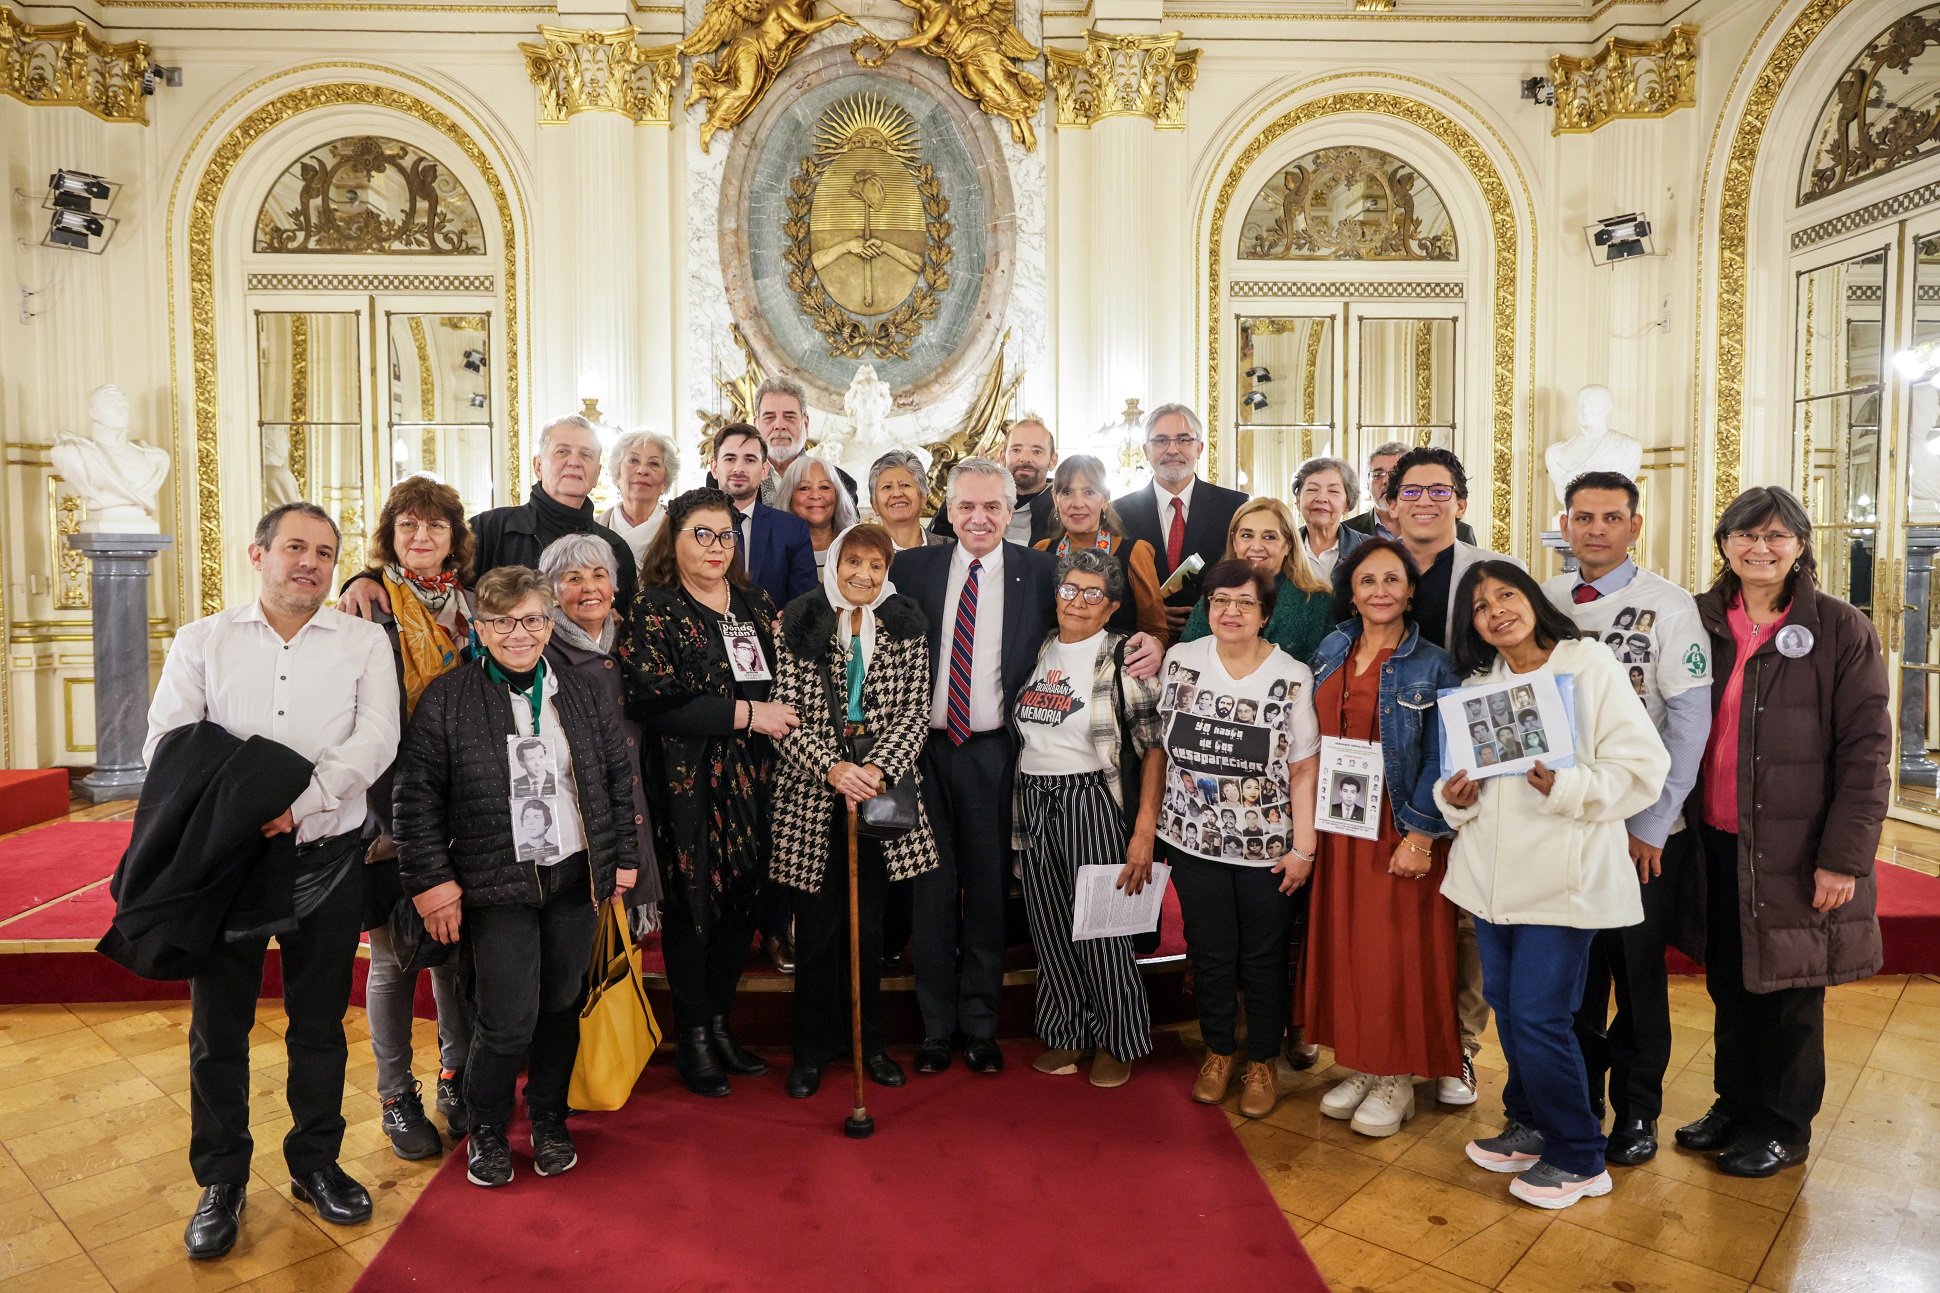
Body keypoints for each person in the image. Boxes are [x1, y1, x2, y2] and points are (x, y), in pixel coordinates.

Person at [147, 502, 400, 1258]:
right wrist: (248, 803)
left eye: (324, 552)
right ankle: (221, 1178)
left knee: (319, 1025)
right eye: (295, 547)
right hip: (227, 862)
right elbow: (169, 742)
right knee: (217, 1030)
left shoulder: (362, 642)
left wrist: (302, 800)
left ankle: (316, 1163)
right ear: (258, 554)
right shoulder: (203, 640)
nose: (310, 563)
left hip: (327, 855)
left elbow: (377, 736)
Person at [892, 458, 1164, 1075]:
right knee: (931, 893)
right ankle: (936, 1030)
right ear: (948, 510)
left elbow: (1098, 616)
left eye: (992, 506)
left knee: (990, 892)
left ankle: (981, 1027)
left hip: (998, 754)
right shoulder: (911, 569)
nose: (979, 518)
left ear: (1011, 510)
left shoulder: (1041, 571)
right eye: (966, 506)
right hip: (924, 752)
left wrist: (1153, 641)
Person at [393, 566, 639, 1188]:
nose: (518, 633)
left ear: (549, 624)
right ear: (479, 629)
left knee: (560, 1005)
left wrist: (621, 858)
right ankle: (486, 1126)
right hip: (495, 880)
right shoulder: (448, 698)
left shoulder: (579, 691)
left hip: (573, 875)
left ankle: (549, 1119)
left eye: (531, 619)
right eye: (502, 622)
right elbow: (415, 798)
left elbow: (615, 777)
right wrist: (432, 883)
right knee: (506, 1018)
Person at [1434, 561, 1669, 1211]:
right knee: (1510, 1010)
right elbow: (1456, 780)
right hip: (1489, 880)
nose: (1496, 611)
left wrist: (1567, 786)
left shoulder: (1589, 667)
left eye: (1506, 594)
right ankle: (1530, 1122)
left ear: (1534, 600)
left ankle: (1578, 1154)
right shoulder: (1480, 687)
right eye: (1481, 606)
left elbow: (1643, 767)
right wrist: (1454, 798)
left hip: (1563, 881)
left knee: (1542, 1016)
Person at [1674, 486, 1889, 1178]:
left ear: (1800, 545)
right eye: (1745, 534)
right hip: (1713, 837)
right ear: (1724, 543)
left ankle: (1783, 1125)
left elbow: (1867, 751)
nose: (1760, 548)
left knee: (1790, 992)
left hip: (1797, 848)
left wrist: (1843, 859)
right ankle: (1735, 1104)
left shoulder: (1840, 628)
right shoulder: (1699, 619)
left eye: (1776, 536)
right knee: (1731, 983)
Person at [1542, 470, 1712, 1167]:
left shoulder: (1668, 606)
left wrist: (1654, 823)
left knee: (1637, 977)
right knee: (1575, 979)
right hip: (1567, 822)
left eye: (1612, 517)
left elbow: (1690, 724)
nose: (1596, 530)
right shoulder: (1547, 599)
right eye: (1583, 517)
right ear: (1565, 525)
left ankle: (1637, 1110)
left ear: (1635, 526)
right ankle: (1578, 1101)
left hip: (1641, 830)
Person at [626, 488, 800, 1096]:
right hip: (687, 779)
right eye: (701, 534)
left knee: (742, 902)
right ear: (673, 540)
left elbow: (782, 678)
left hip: (755, 776)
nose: (716, 547)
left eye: (725, 535)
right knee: (693, 905)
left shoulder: (754, 601)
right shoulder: (654, 606)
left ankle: (721, 1024)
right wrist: (749, 715)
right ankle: (694, 1037)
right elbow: (653, 699)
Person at [1148, 558, 1320, 1119]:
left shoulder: (1292, 676)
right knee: (1211, 954)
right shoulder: (1180, 660)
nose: (1231, 611)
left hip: (1267, 849)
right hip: (1192, 842)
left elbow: (1304, 768)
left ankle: (1262, 1061)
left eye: (1246, 602)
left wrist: (1303, 848)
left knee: (1263, 959)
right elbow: (1161, 747)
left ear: (1265, 614)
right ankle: (1219, 1052)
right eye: (1220, 600)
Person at [1305, 539, 1465, 1138]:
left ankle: (1398, 1074)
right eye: (1367, 580)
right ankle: (1366, 1063)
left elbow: (1443, 756)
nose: (1379, 591)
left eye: (1392, 579)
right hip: (1341, 822)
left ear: (1410, 590)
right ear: (1351, 592)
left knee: (1397, 954)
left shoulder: (1434, 664)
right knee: (1350, 949)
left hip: (1397, 825)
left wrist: (1421, 835)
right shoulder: (1331, 648)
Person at [770, 524, 936, 1096]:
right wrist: (834, 770)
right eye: (853, 562)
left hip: (880, 795)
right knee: (817, 932)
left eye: (875, 565)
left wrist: (876, 771)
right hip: (812, 797)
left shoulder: (906, 626)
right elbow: (784, 715)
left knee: (868, 931)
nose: (863, 575)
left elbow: (915, 712)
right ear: (835, 563)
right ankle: (812, 1050)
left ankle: (872, 1044)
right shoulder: (800, 622)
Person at [1383, 445, 1521, 1092]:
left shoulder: (1492, 573)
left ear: (1460, 502)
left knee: (1467, 910)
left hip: (1473, 754)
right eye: (1411, 491)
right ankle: (1395, 1038)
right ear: (1391, 504)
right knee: (1399, 906)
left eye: (1439, 491)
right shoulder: (1373, 567)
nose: (1425, 502)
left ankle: (1459, 1044)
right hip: (1393, 757)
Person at [1014, 548, 1166, 1087]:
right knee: (1050, 925)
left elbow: (1154, 748)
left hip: (1091, 799)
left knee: (1103, 928)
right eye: (1069, 590)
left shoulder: (1123, 657)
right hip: (1033, 797)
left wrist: (1143, 831)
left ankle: (1118, 1038)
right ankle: (1067, 1031)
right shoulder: (1037, 648)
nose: (1078, 602)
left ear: (1112, 606)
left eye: (1093, 594)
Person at [358, 476, 477, 1160]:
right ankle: (396, 1093)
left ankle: (455, 1077)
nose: (422, 536)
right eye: (408, 525)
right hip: (390, 804)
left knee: (455, 952)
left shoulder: (473, 603)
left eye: (435, 525)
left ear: (454, 535)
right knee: (394, 957)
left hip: (466, 802)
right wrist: (393, 818)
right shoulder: (368, 608)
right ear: (391, 536)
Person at [335, 415, 635, 616]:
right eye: (562, 452)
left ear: (597, 472)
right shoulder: (491, 528)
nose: (574, 462)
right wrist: (366, 579)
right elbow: (425, 564)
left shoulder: (615, 548)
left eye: (586, 455)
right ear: (538, 466)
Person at [538, 532, 665, 928]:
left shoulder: (634, 638)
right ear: (553, 591)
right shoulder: (542, 649)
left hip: (642, 793)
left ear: (614, 585)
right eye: (573, 578)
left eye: (599, 575)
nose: (589, 588)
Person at [1113, 403, 1249, 634]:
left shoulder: (1234, 507)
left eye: (1184, 440)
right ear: (1146, 450)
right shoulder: (1119, 513)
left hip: (1215, 638)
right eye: (1161, 441)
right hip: (1140, 638)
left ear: (1199, 448)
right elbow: (1111, 583)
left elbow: (1247, 576)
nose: (1172, 450)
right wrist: (1149, 613)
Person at [1180, 498, 1334, 666]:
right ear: (1234, 542)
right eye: (1247, 536)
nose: (1256, 546)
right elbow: (1186, 661)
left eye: (1269, 537)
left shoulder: (1319, 603)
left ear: (1288, 544)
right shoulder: (1213, 598)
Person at [1033, 455, 1168, 641]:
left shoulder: (1134, 554)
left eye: (1089, 493)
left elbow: (1156, 633)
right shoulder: (1042, 551)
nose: (1077, 503)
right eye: (1067, 492)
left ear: (1105, 498)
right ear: (1055, 499)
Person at [711, 422, 818, 620]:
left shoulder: (792, 530)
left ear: (764, 470)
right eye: (730, 459)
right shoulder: (689, 526)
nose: (739, 468)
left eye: (750, 460)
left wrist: (787, 624)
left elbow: (805, 604)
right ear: (715, 467)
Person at [930, 415, 1060, 545]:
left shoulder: (1062, 509)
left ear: (1053, 461)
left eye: (1037, 451)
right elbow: (936, 544)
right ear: (1003, 458)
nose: (1025, 458)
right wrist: (966, 489)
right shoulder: (979, 500)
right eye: (1016, 450)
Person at [744, 374, 858, 504]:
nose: (779, 425)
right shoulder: (732, 484)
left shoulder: (841, 485)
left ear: (806, 424)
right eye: (769, 417)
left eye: (789, 417)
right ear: (756, 426)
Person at [1344, 439, 1477, 544]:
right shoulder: (1346, 531)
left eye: (1394, 473)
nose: (1386, 481)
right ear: (1367, 484)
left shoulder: (1461, 532)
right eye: (1378, 474)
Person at [597, 428, 678, 570]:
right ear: (617, 475)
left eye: (654, 463)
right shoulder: (592, 530)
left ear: (665, 482)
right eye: (633, 460)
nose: (642, 470)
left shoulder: (680, 530)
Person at [777, 453, 861, 570]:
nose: (815, 496)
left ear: (837, 496)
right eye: (804, 488)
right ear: (788, 497)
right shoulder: (771, 552)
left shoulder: (861, 548)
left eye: (824, 487)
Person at [1292, 456, 1368, 582]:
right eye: (1312, 489)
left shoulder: (1369, 549)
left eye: (1333, 491)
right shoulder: (1284, 549)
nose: (1321, 498)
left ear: (1347, 503)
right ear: (1298, 500)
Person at [869, 448, 948, 552]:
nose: (897, 494)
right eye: (887, 487)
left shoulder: (951, 549)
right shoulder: (861, 553)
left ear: (923, 498)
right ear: (874, 504)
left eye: (905, 485)